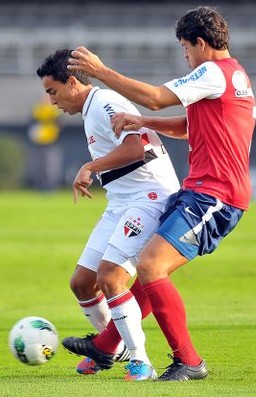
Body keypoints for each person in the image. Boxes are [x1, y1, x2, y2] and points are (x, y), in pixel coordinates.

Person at [67, 5, 256, 381]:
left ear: (200, 43)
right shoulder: (234, 76)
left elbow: (155, 96)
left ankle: (189, 361)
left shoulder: (212, 72)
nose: (185, 57)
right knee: (150, 270)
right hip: (202, 191)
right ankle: (107, 345)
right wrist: (145, 121)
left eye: (185, 48)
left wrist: (100, 72)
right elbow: (191, 125)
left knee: (152, 267)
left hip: (216, 195)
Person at [36, 49, 180, 380]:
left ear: (72, 83)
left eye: (52, 92)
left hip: (149, 198)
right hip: (121, 202)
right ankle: (106, 350)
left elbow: (136, 147)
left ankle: (140, 361)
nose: (52, 101)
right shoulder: (90, 111)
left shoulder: (103, 103)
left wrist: (90, 166)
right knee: (82, 283)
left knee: (111, 278)